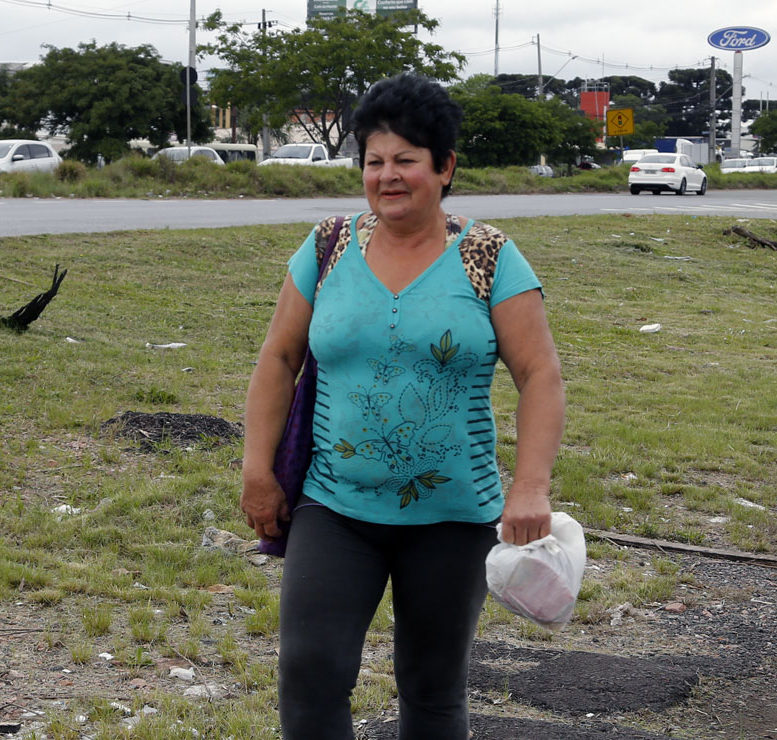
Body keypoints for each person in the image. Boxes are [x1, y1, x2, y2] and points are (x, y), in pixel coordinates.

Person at [241, 73, 565, 740]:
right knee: (310, 674)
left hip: (454, 516)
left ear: (444, 168)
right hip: (336, 508)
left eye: (406, 161)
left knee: (432, 688)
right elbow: (278, 358)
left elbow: (540, 374)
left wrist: (531, 487)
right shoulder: (327, 248)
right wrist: (256, 468)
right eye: (374, 161)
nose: (388, 177)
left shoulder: (488, 256)